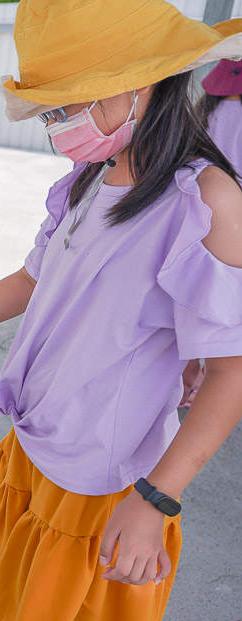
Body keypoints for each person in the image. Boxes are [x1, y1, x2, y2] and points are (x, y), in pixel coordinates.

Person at [0, 2, 242, 621]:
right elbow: (37, 276)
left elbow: (231, 373)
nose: (60, 124)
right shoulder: (90, 178)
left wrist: (155, 498)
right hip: (40, 440)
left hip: (107, 480)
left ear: (143, 81)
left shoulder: (207, 204)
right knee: (27, 616)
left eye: (71, 103)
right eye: (54, 109)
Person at [180, 59, 242, 406]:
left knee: (191, 306)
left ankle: (185, 382)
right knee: (225, 318)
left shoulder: (203, 113)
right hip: (235, 226)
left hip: (197, 219)